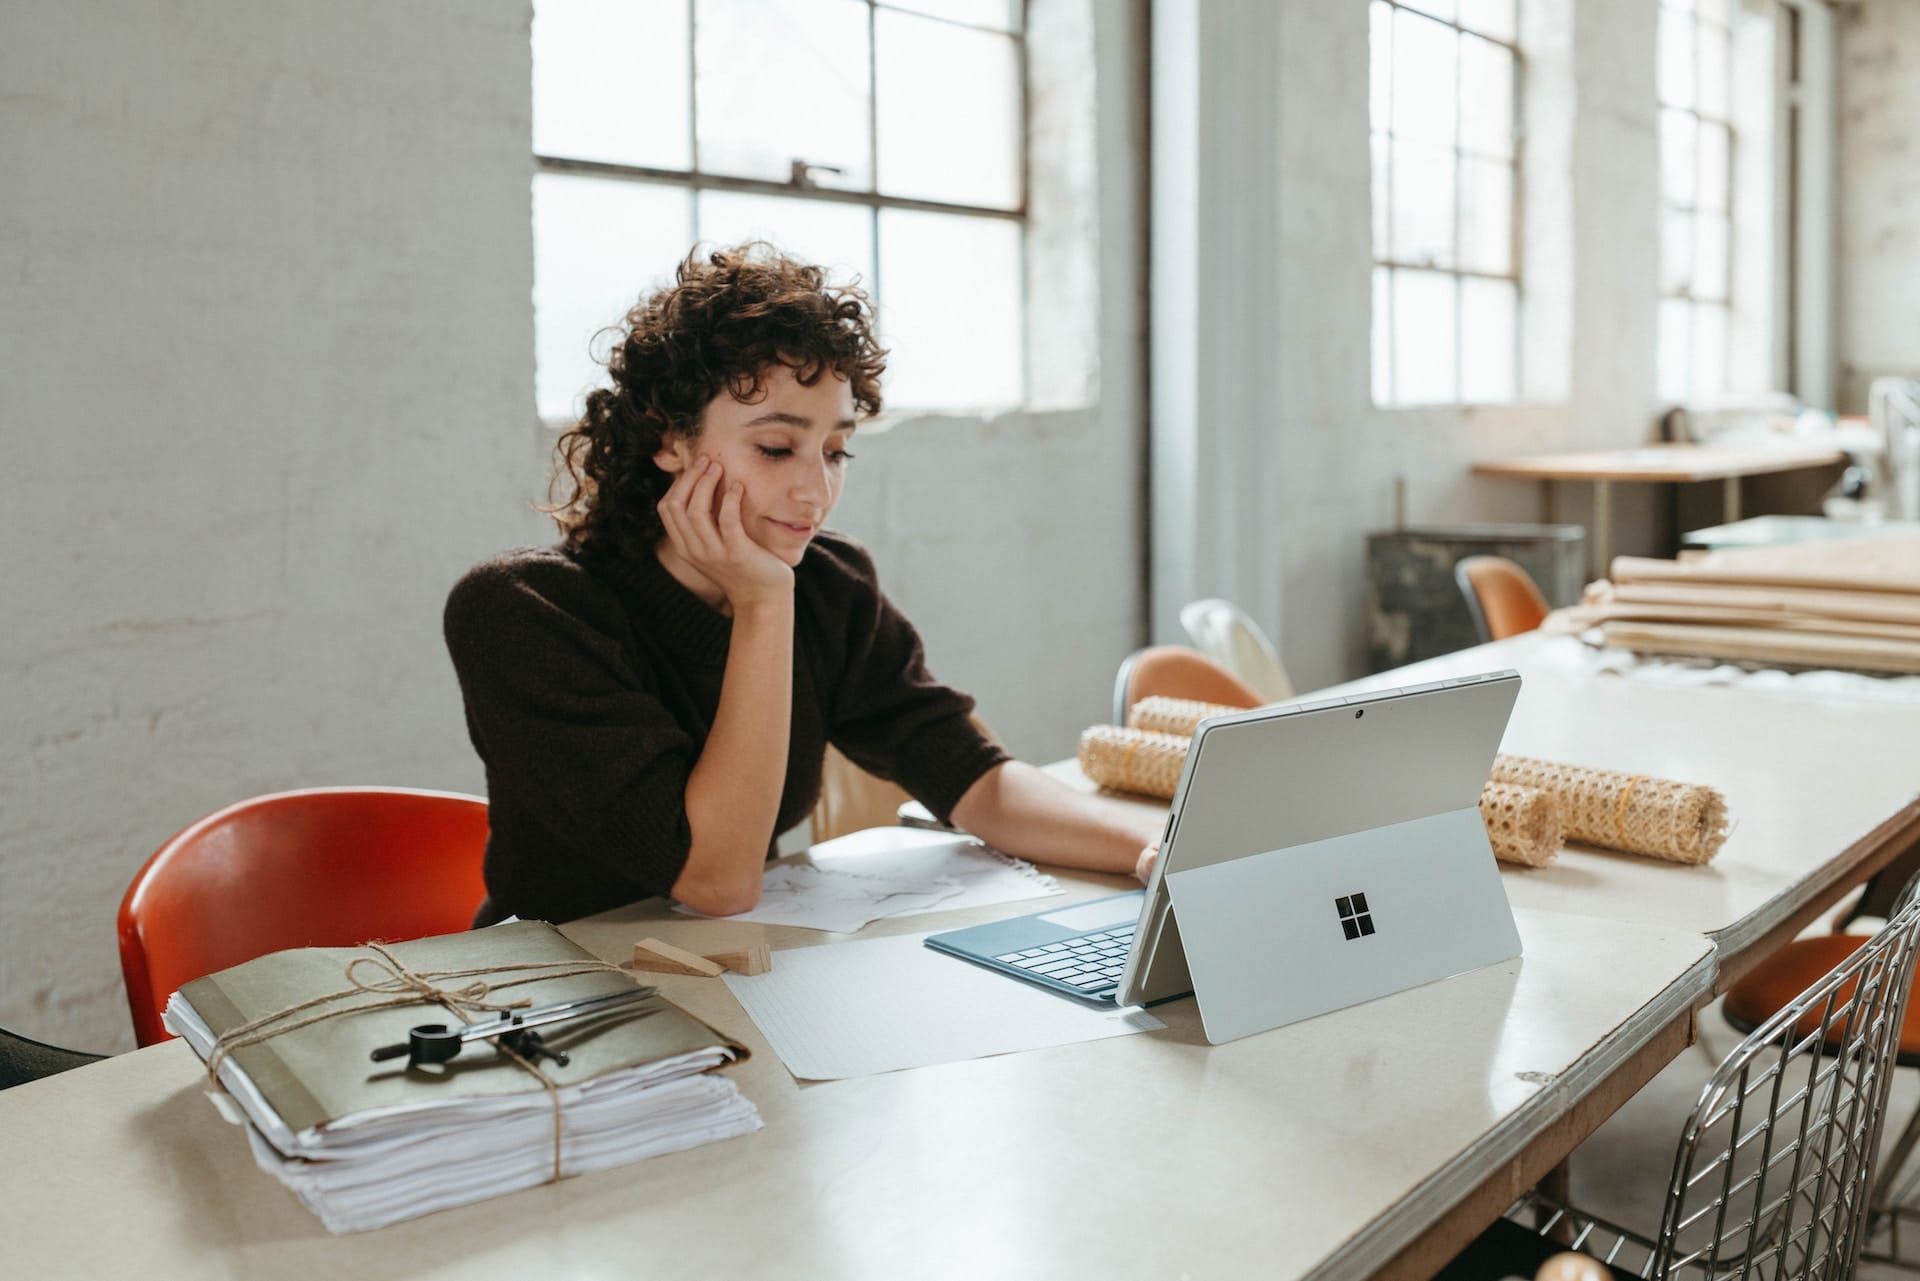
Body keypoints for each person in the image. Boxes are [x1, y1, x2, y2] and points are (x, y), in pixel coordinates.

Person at [445, 242, 1161, 926]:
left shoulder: (826, 588)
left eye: (836, 450)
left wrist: (1155, 850)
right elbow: (716, 878)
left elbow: (974, 779)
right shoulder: (525, 612)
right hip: (557, 994)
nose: (816, 491)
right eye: (776, 447)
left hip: (731, 970)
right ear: (669, 439)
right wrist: (761, 604)